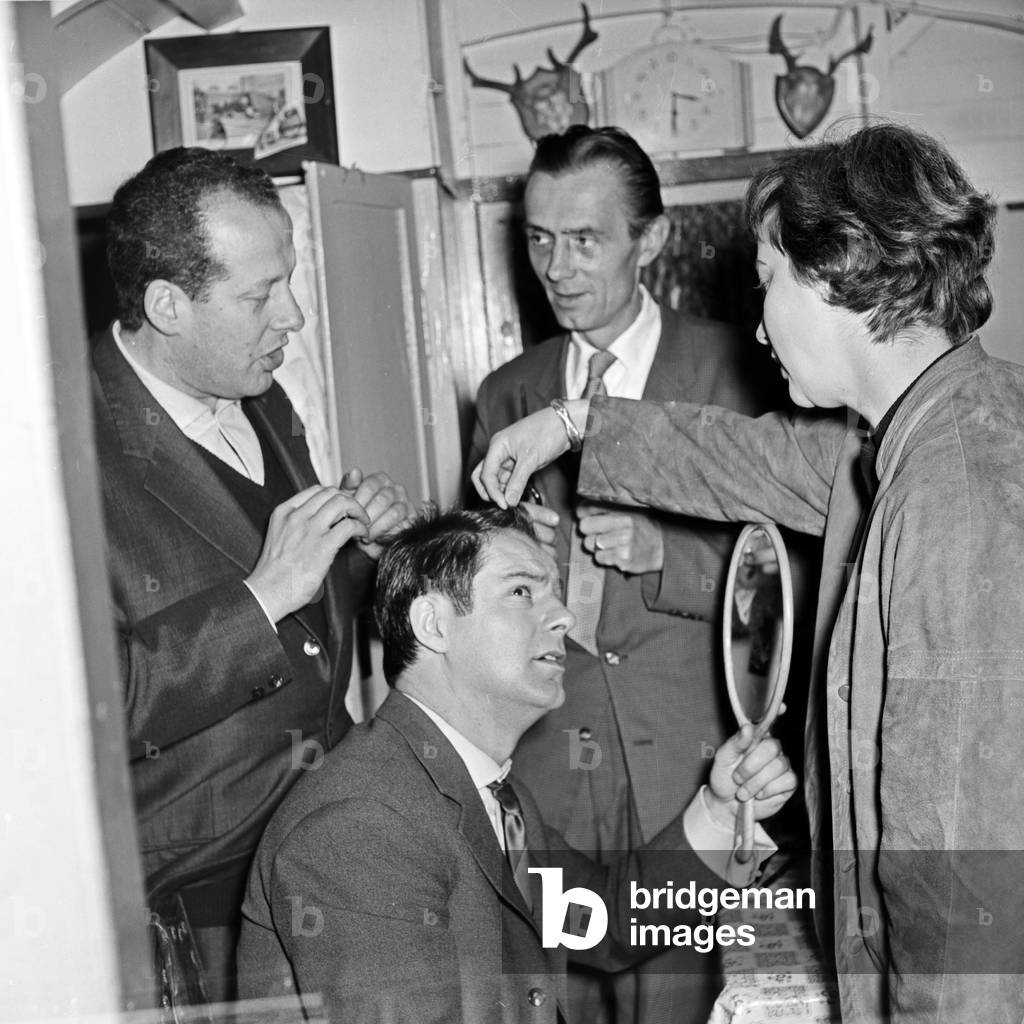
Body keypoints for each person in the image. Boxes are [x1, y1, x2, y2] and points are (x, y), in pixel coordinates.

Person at [474, 122, 1024, 1023]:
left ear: (838, 275)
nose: (758, 322)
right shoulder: (925, 428)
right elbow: (742, 457)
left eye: (767, 284)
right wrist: (572, 424)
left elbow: (952, 864)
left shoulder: (955, 485)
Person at [237, 506, 797, 1022]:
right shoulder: (363, 825)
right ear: (433, 624)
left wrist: (722, 810)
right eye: (522, 591)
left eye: (555, 594)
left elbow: (606, 925)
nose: (562, 618)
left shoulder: (494, 792)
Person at [467, 124, 788, 1024]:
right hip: (549, 761)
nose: (557, 266)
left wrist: (668, 557)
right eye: (538, 238)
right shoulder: (506, 395)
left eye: (585, 238)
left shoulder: (745, 370)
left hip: (693, 765)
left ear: (651, 239)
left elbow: (801, 577)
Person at [94, 146, 412, 1001]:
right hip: (199, 900)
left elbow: (305, 621)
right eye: (260, 296)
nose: (295, 317)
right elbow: (86, 712)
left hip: (327, 838)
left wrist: (358, 548)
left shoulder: (266, 397)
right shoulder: (55, 452)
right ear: (167, 305)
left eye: (290, 282)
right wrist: (263, 594)